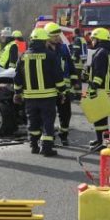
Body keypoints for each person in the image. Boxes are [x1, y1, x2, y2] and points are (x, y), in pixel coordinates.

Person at [13, 28, 66, 157]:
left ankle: (34, 145)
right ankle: (47, 148)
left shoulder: (23, 56)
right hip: (48, 97)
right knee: (48, 121)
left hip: (30, 98)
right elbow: (58, 76)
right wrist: (62, 91)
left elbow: (18, 77)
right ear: (44, 41)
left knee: (33, 121)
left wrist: (17, 92)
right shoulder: (50, 55)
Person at [44, 22, 75, 146]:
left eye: (58, 35)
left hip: (64, 88)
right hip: (49, 89)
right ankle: (48, 137)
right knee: (49, 115)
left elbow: (70, 65)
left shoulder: (63, 48)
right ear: (47, 36)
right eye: (54, 36)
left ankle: (63, 135)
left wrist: (75, 81)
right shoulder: (43, 50)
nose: (57, 38)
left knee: (66, 114)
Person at [86, 27, 110, 150]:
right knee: (100, 118)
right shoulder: (106, 51)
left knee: (100, 119)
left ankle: (104, 144)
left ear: (99, 39)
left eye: (93, 39)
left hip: (100, 89)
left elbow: (99, 74)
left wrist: (93, 88)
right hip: (104, 89)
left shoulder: (101, 52)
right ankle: (101, 141)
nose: (92, 41)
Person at [70, 28, 87, 98]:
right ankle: (78, 94)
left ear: (75, 33)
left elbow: (76, 51)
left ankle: (74, 94)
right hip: (81, 61)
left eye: (73, 32)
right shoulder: (82, 39)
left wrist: (72, 60)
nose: (72, 34)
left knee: (74, 78)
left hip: (76, 62)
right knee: (79, 79)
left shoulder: (77, 39)